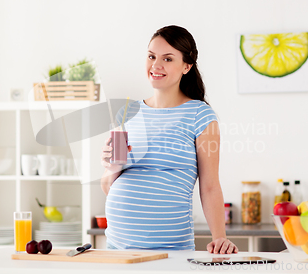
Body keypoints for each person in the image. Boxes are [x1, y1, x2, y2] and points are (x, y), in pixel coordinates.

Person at [100, 25, 238, 254]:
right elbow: (108, 186)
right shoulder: (126, 113)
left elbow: (210, 186)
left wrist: (220, 237)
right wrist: (111, 167)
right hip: (118, 249)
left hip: (170, 250)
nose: (156, 65)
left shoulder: (200, 115)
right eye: (152, 56)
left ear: (187, 66)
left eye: (167, 58)